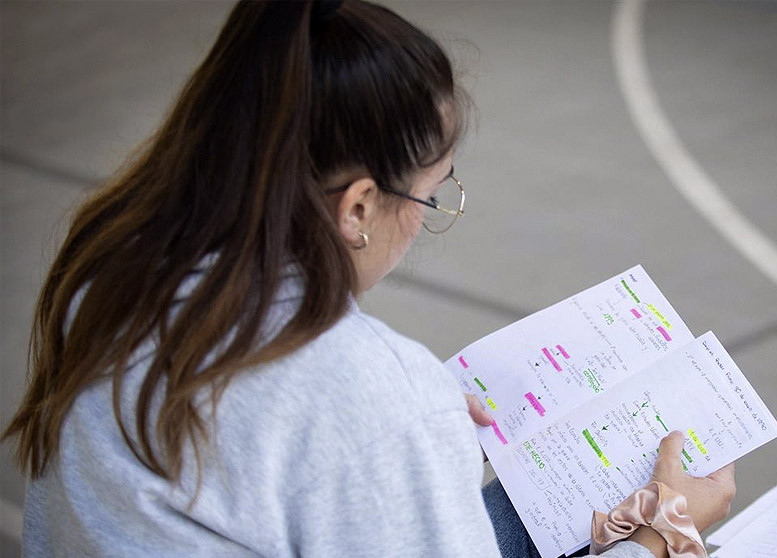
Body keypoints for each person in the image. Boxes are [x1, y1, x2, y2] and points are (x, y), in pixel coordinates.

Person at [2, 1, 735, 556]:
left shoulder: (116, 268)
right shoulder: (366, 392)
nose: (427, 216)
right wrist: (664, 537)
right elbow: (322, 414)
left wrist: (401, 436)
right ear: (357, 205)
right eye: (432, 193)